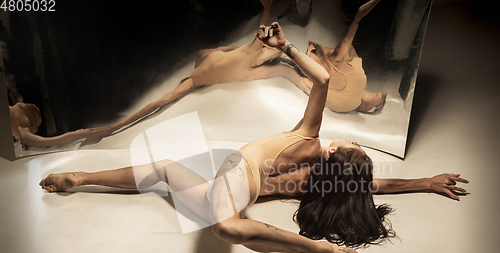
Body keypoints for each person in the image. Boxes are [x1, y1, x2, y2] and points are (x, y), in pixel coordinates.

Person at [39, 22, 468, 253]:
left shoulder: (310, 139)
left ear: (338, 154)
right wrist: (427, 182)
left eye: (352, 142)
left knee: (220, 223)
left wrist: (287, 48)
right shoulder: (327, 180)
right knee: (172, 174)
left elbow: (320, 81)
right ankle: (82, 177)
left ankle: (321, 251)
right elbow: (375, 185)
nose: (351, 137)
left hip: (235, 175)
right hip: (236, 183)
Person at [19, 0, 385, 149]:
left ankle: (68, 139)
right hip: (206, 69)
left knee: (137, 115)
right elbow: (282, 56)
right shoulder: (257, 52)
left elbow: (303, 79)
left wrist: (329, 91)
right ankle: (72, 137)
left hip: (200, 77)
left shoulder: (264, 62)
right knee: (139, 111)